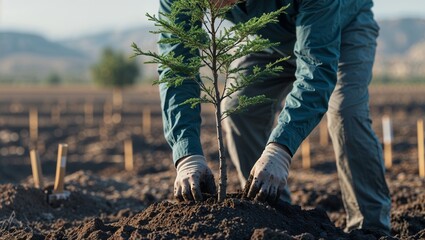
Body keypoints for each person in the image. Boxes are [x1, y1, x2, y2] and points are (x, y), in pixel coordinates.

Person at [157, 0, 391, 235]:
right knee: (239, 109)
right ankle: (275, 217)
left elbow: (316, 68)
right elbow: (177, 68)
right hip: (269, 38)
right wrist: (187, 155)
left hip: (339, 28)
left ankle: (371, 227)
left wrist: (279, 151)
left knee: (345, 112)